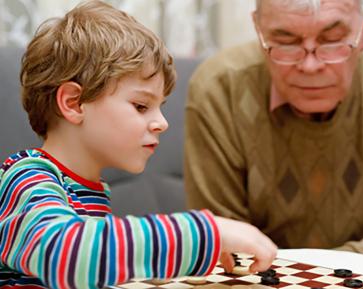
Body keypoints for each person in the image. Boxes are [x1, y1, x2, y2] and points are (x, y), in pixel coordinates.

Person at [0, 1, 277, 288]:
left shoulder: (88, 189)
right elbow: (64, 254)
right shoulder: (26, 178)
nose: (162, 123)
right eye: (141, 106)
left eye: (160, 106)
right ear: (74, 103)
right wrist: (205, 234)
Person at [185, 0, 363, 267]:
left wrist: (334, 269)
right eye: (286, 42)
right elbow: (220, 240)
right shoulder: (218, 89)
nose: (310, 66)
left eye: (332, 41)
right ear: (258, 30)